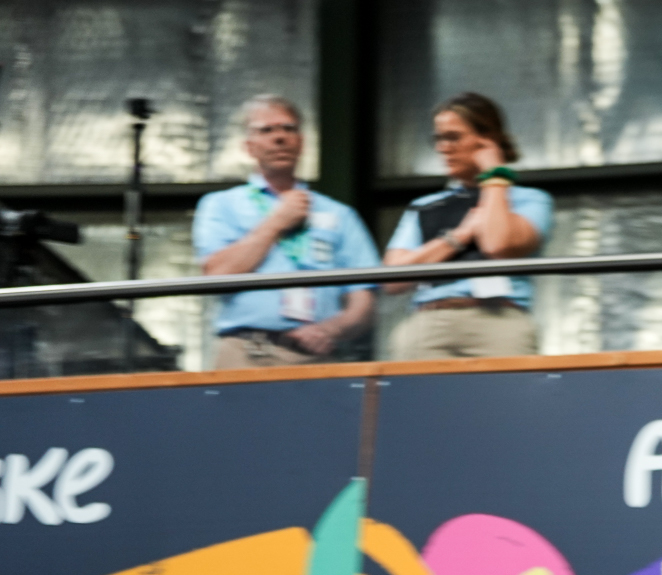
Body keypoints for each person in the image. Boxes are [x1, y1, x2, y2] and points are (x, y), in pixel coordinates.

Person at [192, 96, 380, 369]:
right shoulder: (220, 205)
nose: (279, 137)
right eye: (266, 130)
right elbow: (216, 274)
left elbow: (364, 302)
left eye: (288, 128)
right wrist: (276, 221)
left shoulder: (340, 214)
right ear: (248, 146)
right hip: (245, 352)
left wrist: (333, 329)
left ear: (301, 142)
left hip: (318, 357)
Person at [384, 92, 553, 360]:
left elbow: (497, 244)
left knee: (509, 400)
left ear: (487, 140)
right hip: (429, 319)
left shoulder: (530, 200)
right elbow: (391, 280)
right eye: (438, 138)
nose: (442, 147)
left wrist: (495, 176)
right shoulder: (425, 205)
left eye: (453, 137)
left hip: (497, 320)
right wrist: (459, 236)